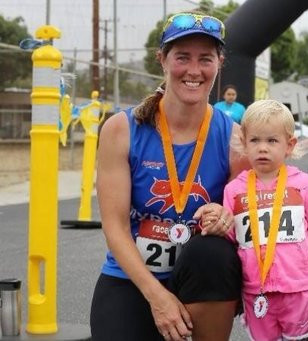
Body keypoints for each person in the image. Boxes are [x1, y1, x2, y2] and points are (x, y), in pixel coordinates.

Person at [90, 12, 250, 341]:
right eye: (182, 57)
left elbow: (243, 219)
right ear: (162, 60)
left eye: (205, 59)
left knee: (213, 252)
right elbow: (116, 227)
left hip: (202, 277)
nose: (194, 70)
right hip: (134, 276)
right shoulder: (121, 129)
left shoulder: (235, 137)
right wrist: (158, 297)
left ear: (219, 63)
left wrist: (225, 217)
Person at [223, 99, 308, 340]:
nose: (262, 148)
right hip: (256, 291)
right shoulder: (234, 190)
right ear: (244, 143)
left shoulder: (305, 185)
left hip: (300, 288)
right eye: (255, 140)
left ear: (289, 145)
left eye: (272, 140)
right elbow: (229, 238)